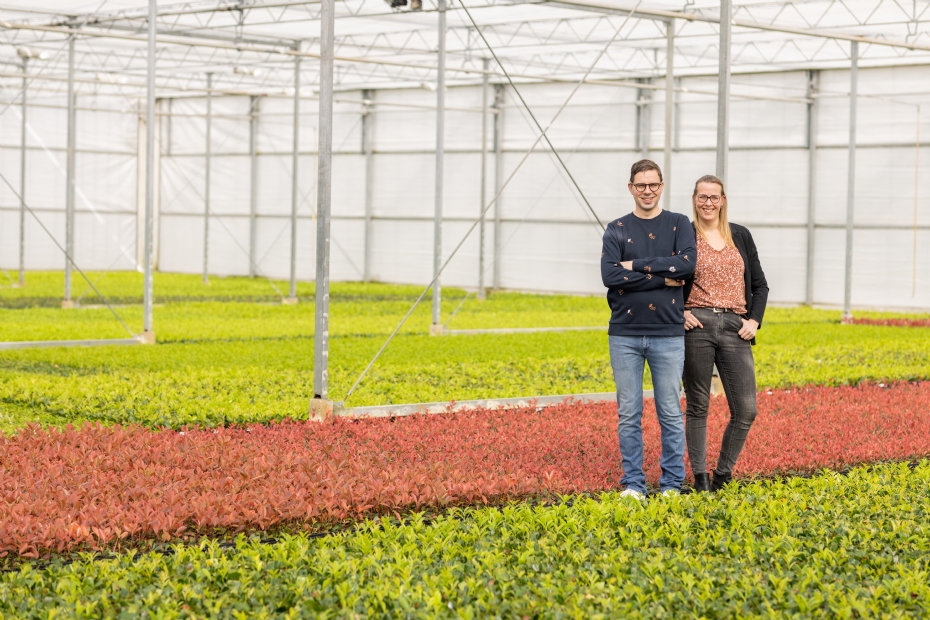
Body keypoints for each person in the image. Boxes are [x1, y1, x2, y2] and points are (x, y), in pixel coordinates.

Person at [601, 160, 696, 499]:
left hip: (668, 334)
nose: (647, 191)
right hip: (624, 334)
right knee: (629, 413)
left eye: (653, 185)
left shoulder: (678, 223)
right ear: (630, 188)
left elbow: (686, 267)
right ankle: (633, 484)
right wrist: (661, 276)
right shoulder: (616, 229)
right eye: (640, 185)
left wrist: (635, 266)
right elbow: (610, 277)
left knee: (670, 412)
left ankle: (672, 484)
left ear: (662, 186)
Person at [682, 174, 769, 492]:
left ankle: (723, 474)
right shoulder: (683, 235)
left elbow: (760, 285)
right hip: (697, 326)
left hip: (736, 327)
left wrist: (754, 320)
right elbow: (667, 279)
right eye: (702, 197)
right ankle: (701, 478)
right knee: (698, 404)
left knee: (746, 409)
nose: (708, 203)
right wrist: (680, 311)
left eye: (713, 197)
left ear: (723, 201)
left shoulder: (740, 236)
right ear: (694, 199)